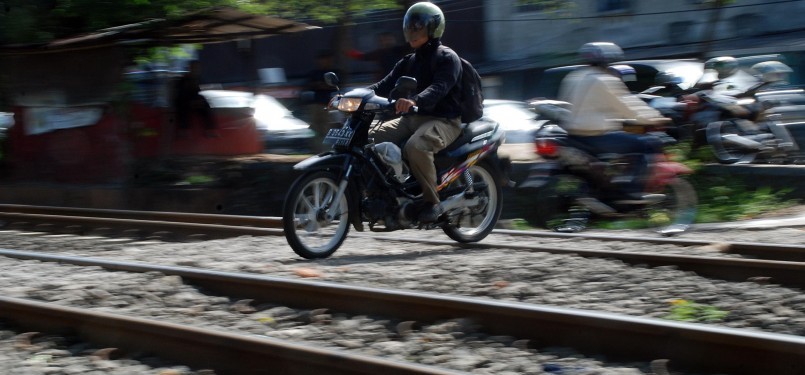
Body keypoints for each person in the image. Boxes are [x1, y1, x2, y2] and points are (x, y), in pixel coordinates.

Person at [366, 1, 463, 223]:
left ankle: (432, 203)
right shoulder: (408, 61)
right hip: (413, 119)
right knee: (368, 136)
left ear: (433, 28)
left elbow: (439, 88)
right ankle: (388, 191)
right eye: (409, 26)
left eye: (417, 27)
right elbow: (382, 85)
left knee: (416, 146)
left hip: (444, 120)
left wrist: (414, 100)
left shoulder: (448, 58)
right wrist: (351, 96)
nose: (411, 31)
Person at [557, 42, 667, 202]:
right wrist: (656, 118)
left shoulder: (573, 77)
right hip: (596, 136)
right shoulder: (605, 80)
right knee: (648, 144)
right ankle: (632, 192)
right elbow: (627, 106)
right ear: (609, 61)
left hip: (572, 135)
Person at [304, 50, 340, 150]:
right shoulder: (314, 73)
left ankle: (326, 149)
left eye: (326, 59)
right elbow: (309, 85)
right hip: (316, 104)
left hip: (329, 104)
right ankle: (316, 148)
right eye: (322, 60)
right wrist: (319, 85)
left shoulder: (334, 72)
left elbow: (335, 86)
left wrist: (321, 85)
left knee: (326, 127)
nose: (324, 62)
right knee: (315, 127)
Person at [173, 59, 218, 138]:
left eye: (198, 68)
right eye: (194, 68)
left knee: (207, 107)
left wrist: (200, 100)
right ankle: (183, 130)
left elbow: (203, 92)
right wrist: (190, 101)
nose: (196, 70)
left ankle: (210, 130)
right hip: (185, 102)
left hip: (197, 102)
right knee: (183, 108)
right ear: (190, 68)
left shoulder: (200, 80)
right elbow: (180, 94)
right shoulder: (183, 80)